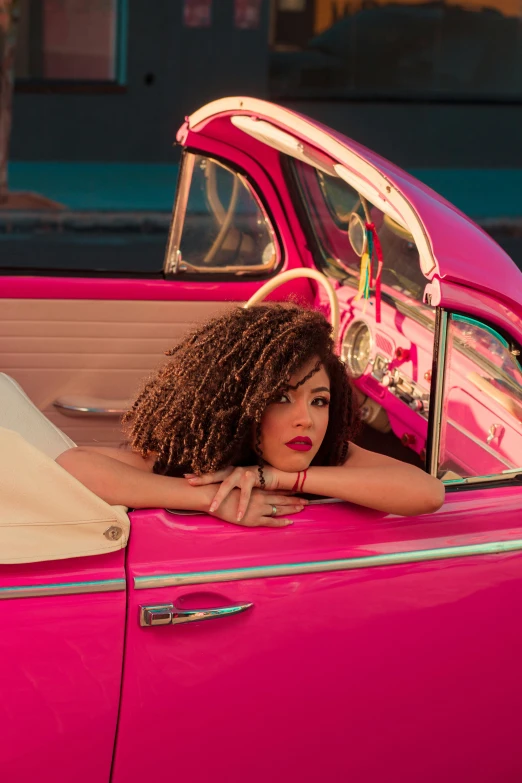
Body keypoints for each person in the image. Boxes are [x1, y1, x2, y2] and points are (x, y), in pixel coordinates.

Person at [56, 304, 444, 525]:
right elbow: (71, 465)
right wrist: (213, 500)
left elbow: (429, 493)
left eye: (319, 401)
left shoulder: (328, 457)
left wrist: (281, 478)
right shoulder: (202, 463)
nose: (305, 419)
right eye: (281, 398)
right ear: (244, 406)